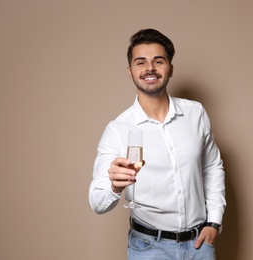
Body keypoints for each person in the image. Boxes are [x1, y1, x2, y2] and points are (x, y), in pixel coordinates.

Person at [89, 28, 226, 260]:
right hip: (149, 248)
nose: (149, 68)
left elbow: (212, 167)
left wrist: (214, 221)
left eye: (158, 61)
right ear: (130, 72)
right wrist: (113, 186)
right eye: (140, 62)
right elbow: (96, 201)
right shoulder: (118, 129)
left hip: (199, 246)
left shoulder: (196, 113)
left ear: (170, 69)